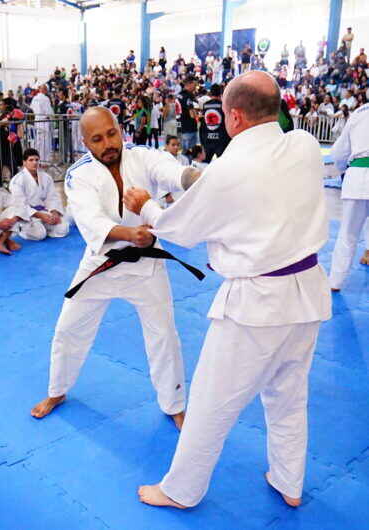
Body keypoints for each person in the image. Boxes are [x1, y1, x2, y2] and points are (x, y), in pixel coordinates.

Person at [123, 71, 331, 509]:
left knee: (211, 402)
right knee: (289, 397)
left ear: (233, 116)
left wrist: (144, 204)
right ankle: (289, 482)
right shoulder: (306, 146)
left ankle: (181, 490)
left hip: (257, 305)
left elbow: (180, 228)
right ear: (276, 108)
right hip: (309, 295)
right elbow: (252, 183)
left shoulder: (232, 170)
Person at [30, 107, 202, 430]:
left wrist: (195, 178)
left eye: (112, 133)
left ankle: (174, 403)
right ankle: (57, 391)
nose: (108, 143)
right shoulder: (78, 175)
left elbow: (170, 171)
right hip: (101, 264)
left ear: (119, 129)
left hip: (147, 263)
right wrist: (130, 234)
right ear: (84, 142)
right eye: (97, 139)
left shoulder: (141, 155)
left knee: (164, 336)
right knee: (69, 329)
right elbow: (90, 220)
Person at [329, 101, 369, 290]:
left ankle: (335, 282)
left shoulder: (360, 112)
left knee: (347, 234)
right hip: (358, 173)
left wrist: (344, 168)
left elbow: (338, 152)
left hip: (356, 177)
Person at [9, 148, 69, 241]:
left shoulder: (46, 177)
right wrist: (41, 216)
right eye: (31, 160)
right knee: (39, 234)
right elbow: (20, 205)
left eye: (37, 160)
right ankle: (21, 229)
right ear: (24, 162)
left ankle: (45, 227)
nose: (34, 163)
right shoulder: (17, 180)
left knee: (63, 229)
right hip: (29, 214)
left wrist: (54, 213)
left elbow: (52, 197)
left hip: (44, 211)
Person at [199, 84, 231, 162]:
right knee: (223, 163)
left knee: (205, 164)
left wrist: (202, 140)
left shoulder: (206, 105)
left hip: (207, 139)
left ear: (210, 93)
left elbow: (203, 123)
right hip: (221, 139)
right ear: (221, 93)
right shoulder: (223, 105)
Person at [30, 85, 54, 163]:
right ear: (45, 90)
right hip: (44, 121)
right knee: (45, 141)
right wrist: (51, 116)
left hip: (37, 121)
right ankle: (44, 159)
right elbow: (49, 111)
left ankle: (37, 158)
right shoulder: (45, 99)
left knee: (38, 141)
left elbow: (32, 109)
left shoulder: (34, 98)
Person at [178, 76, 199, 151]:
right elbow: (192, 114)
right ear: (189, 84)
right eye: (194, 84)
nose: (196, 87)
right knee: (189, 153)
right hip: (189, 128)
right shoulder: (188, 96)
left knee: (185, 152)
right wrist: (198, 117)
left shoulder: (179, 95)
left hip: (182, 127)